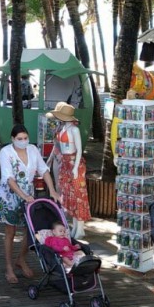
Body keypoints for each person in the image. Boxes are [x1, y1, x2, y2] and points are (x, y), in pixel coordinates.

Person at [0, 124, 59, 284]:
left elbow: (44, 170)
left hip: (28, 192)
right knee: (10, 231)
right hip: (10, 194)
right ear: (13, 139)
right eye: (19, 139)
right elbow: (8, 178)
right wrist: (22, 195)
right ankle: (8, 266)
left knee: (30, 230)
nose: (23, 141)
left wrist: (53, 190)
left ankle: (21, 259)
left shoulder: (33, 150)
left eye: (25, 138)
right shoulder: (6, 152)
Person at [48, 102, 91, 239]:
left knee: (78, 195)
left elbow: (79, 150)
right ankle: (75, 227)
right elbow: (57, 147)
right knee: (69, 196)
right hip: (65, 163)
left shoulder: (74, 130)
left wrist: (76, 167)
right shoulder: (62, 128)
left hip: (74, 163)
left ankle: (80, 228)